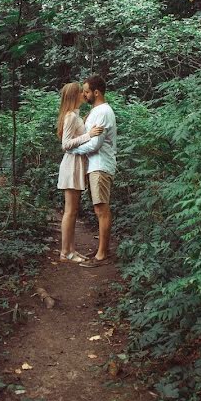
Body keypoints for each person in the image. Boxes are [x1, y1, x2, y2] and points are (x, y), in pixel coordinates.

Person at [65, 75, 116, 268]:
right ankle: (101, 250)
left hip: (101, 165)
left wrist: (72, 149)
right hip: (95, 165)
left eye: (86, 91)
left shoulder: (102, 111)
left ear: (97, 92)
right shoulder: (96, 111)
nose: (84, 94)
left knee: (101, 209)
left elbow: (95, 144)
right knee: (99, 208)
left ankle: (102, 254)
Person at [56, 82, 104, 263]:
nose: (84, 94)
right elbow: (66, 144)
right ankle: (65, 252)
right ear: (74, 95)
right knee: (70, 211)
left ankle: (71, 250)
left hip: (77, 165)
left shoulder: (74, 116)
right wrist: (89, 134)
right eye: (81, 92)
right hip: (71, 165)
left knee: (73, 211)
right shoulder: (70, 116)